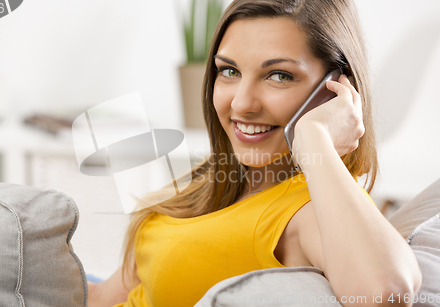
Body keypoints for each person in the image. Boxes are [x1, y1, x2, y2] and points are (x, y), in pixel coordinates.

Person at [88, 0, 422, 306]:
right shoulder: (213, 185)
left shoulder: (306, 211)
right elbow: (106, 295)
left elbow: (387, 291)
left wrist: (314, 137)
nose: (242, 104)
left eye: (279, 76)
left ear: (336, 91)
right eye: (229, 71)